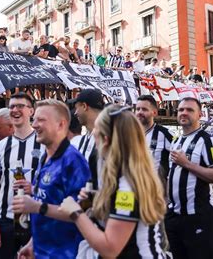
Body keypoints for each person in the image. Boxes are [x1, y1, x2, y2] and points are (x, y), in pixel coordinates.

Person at [58, 105, 167, 258]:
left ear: (106, 140)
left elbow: (110, 248)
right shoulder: (124, 173)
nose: (93, 135)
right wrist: (96, 199)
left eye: (96, 130)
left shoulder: (127, 187)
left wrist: (75, 212)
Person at [13, 99, 91, 258]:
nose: (34, 125)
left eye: (41, 120)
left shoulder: (73, 161)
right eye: (34, 119)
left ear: (61, 124)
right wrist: (32, 244)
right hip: (41, 252)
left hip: (66, 253)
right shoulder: (45, 157)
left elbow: (82, 213)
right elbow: (48, 199)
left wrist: (36, 207)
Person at [165, 97, 213, 259]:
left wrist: (187, 164)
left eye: (189, 110)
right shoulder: (176, 141)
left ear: (200, 114)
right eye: (181, 110)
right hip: (174, 217)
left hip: (198, 217)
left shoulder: (209, 141)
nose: (184, 112)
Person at [0, 93, 45, 259]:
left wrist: (33, 189)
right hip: (4, 220)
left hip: (35, 221)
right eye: (11, 106)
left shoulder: (43, 143)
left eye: (20, 106)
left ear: (31, 111)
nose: (15, 110)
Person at [72, 88, 104, 188]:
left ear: (85, 106)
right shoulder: (84, 139)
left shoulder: (107, 138)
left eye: (77, 108)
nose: (75, 113)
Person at [135, 95, 173, 182]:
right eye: (138, 109)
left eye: (144, 109)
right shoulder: (129, 133)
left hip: (156, 190)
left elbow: (177, 161)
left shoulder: (165, 134)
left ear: (154, 113)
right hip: (134, 189)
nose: (140, 112)